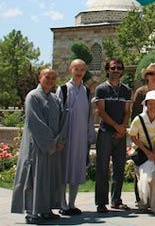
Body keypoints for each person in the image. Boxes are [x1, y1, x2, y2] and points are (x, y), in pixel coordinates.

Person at [11, 69, 65, 224]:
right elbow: (35, 122)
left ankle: (46, 210)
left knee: (49, 178)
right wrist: (51, 142)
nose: (50, 80)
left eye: (53, 78)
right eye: (47, 77)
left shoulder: (55, 99)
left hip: (53, 147)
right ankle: (32, 212)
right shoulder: (32, 97)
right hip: (37, 146)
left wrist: (60, 140)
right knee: (33, 178)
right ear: (40, 78)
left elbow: (62, 120)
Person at [57, 59, 96, 215]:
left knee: (77, 169)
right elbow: (57, 114)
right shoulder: (63, 90)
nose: (79, 72)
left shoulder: (86, 91)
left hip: (80, 137)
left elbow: (89, 115)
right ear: (70, 70)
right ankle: (62, 203)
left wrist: (90, 133)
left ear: (85, 71)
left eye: (82, 69)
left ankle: (72, 203)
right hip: (66, 136)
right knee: (63, 170)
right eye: (76, 68)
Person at [94, 58, 132, 213]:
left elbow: (127, 110)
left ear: (122, 70)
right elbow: (101, 111)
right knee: (102, 168)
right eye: (113, 68)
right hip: (105, 133)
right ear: (107, 70)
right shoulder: (101, 89)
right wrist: (116, 126)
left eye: (118, 68)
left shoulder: (126, 90)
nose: (116, 70)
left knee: (119, 168)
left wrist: (122, 127)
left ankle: (116, 200)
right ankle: (101, 202)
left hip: (120, 134)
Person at [130, 62, 155, 205]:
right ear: (146, 76)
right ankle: (141, 199)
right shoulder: (141, 92)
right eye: (151, 73)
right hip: (142, 137)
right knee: (140, 168)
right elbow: (134, 115)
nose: (154, 76)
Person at [129, 90, 155, 215]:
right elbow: (133, 137)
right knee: (143, 179)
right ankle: (143, 204)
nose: (153, 106)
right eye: (150, 103)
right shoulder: (138, 119)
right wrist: (147, 152)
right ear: (145, 104)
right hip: (140, 152)